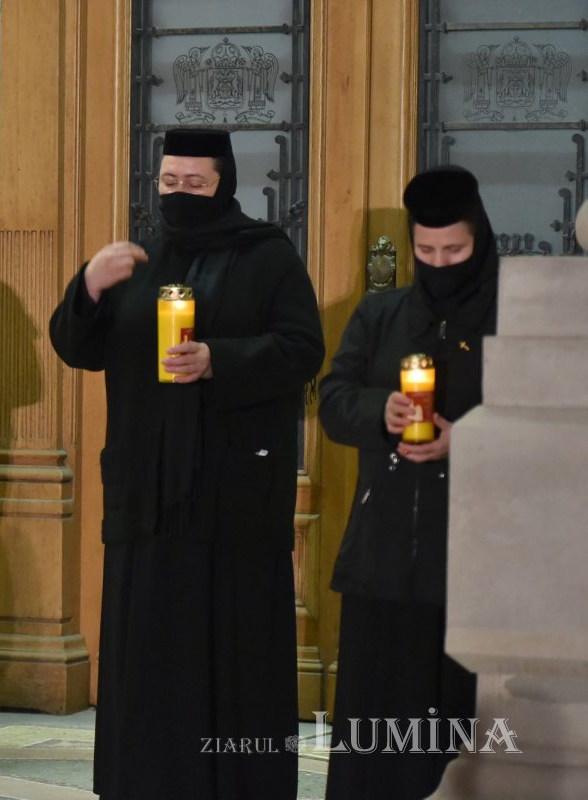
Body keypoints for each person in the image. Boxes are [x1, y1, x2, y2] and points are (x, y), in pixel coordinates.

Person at [49, 128, 325, 799]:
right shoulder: (137, 259)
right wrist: (86, 287)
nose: (178, 196)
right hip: (148, 491)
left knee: (233, 645)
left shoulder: (268, 255)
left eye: (193, 185)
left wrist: (217, 361)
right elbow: (76, 347)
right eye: (168, 183)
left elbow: (302, 349)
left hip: (233, 491)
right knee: (147, 648)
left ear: (224, 183)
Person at [320, 166, 492, 799]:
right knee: (380, 725)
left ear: (481, 240)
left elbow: (548, 421)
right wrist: (380, 411)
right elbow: (334, 399)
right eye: (426, 251)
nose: (440, 263)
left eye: (455, 251)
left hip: (477, 558)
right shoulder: (382, 310)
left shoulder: (513, 317)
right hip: (386, 552)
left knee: (462, 729)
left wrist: (467, 438)